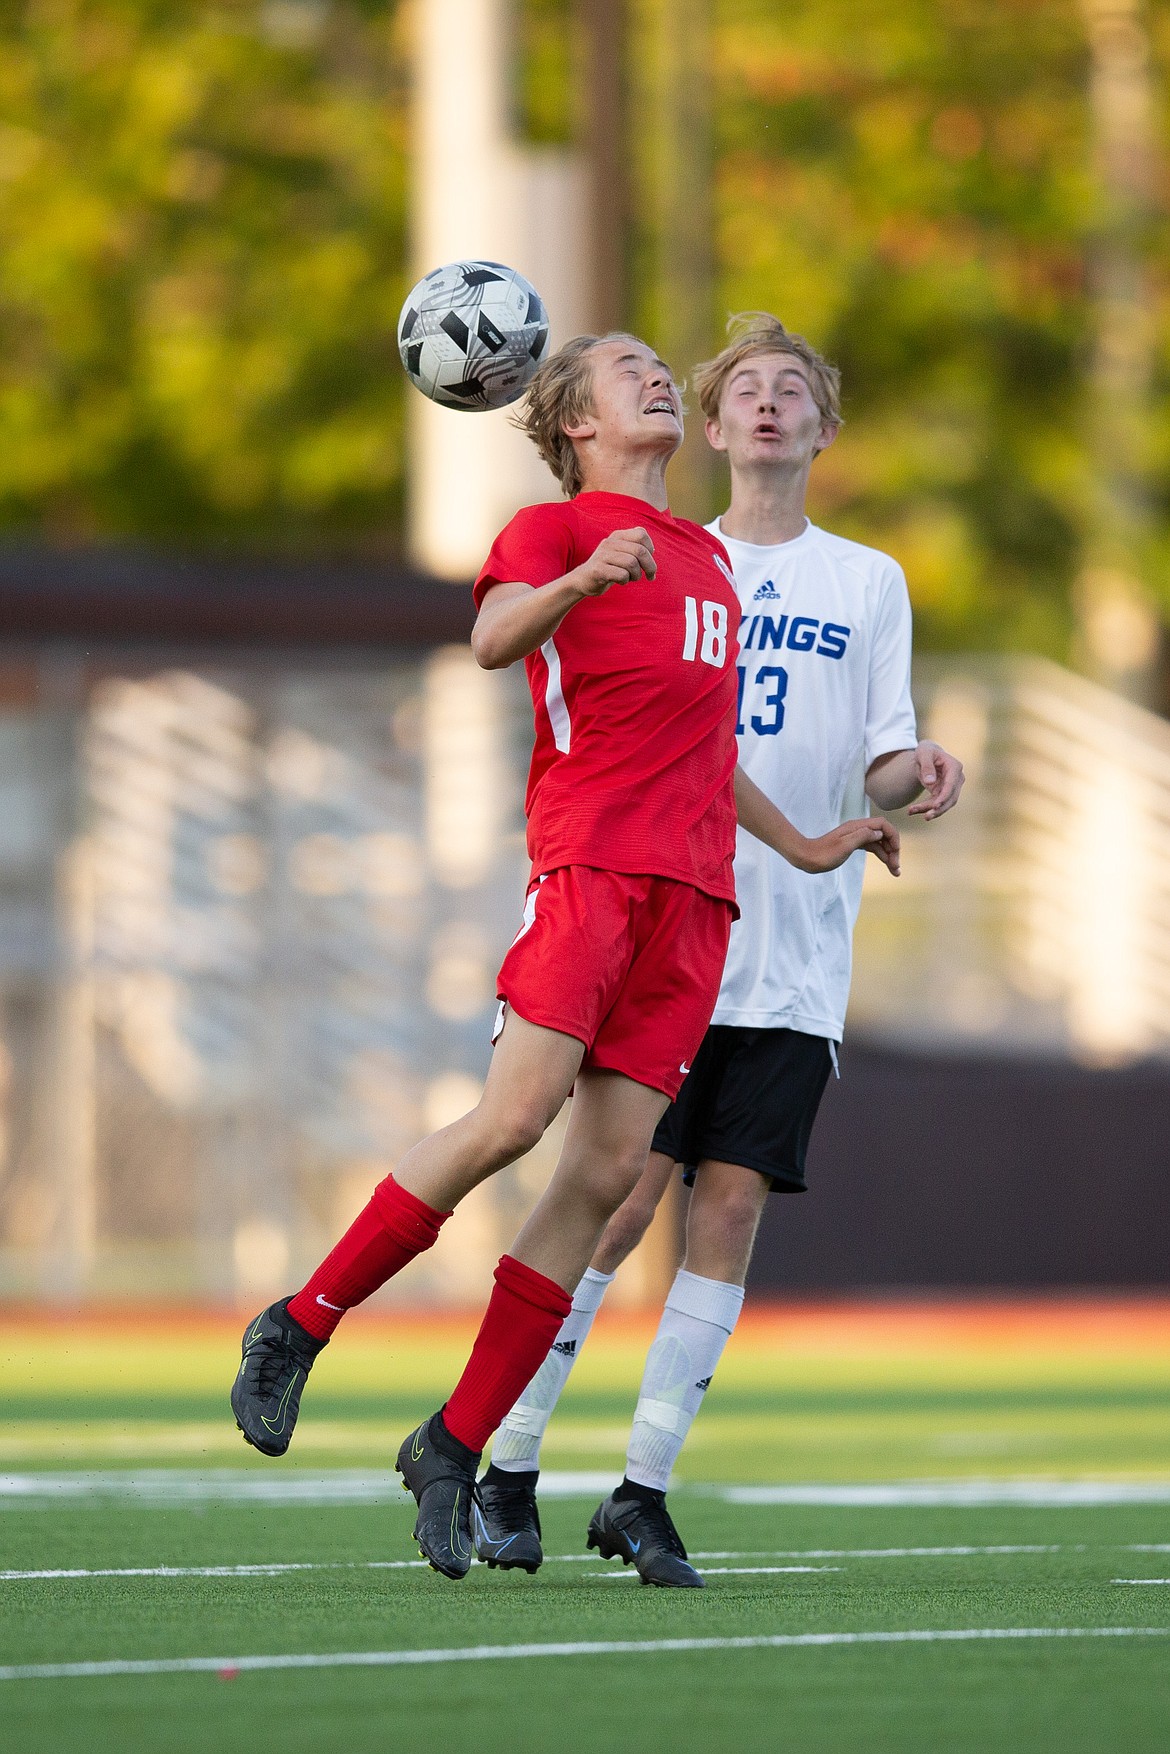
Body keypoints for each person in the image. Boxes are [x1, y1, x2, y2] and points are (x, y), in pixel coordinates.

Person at [229, 329, 900, 1581]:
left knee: (600, 1182)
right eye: (629, 368)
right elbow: (492, 642)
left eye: (659, 367)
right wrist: (585, 579)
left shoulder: (705, 555)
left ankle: (454, 1439)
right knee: (515, 1118)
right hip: (589, 874)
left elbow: (710, 748)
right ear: (577, 423)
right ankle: (299, 1322)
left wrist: (807, 847)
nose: (659, 377)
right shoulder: (554, 534)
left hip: (695, 904)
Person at [473, 313, 964, 1587]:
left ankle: (642, 1488)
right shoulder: (671, 555)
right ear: (705, 421)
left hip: (795, 946)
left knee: (730, 1204)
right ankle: (510, 1456)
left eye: (790, 389)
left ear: (822, 425)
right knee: (619, 1195)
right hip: (664, 918)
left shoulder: (868, 580)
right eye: (742, 386)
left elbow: (883, 747)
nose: (765, 404)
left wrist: (915, 775)